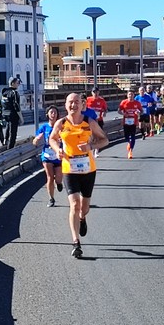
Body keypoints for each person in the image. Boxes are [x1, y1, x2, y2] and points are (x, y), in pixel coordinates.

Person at [49, 93, 108, 257]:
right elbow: (52, 139)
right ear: (65, 104)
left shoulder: (89, 122)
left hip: (88, 170)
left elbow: (104, 140)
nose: (73, 105)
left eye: (76, 102)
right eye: (70, 102)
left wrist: (90, 147)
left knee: (84, 207)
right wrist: (58, 149)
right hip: (69, 169)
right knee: (74, 204)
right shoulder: (61, 123)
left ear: (82, 105)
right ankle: (76, 242)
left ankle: (82, 218)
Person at [33, 106, 63, 207]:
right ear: (47, 114)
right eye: (51, 112)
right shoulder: (44, 127)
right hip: (47, 155)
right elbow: (34, 142)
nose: (53, 114)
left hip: (58, 154)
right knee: (50, 177)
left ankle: (59, 183)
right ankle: (51, 198)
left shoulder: (61, 126)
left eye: (55, 112)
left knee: (58, 177)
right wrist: (37, 139)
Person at [118, 90, 142, 159]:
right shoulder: (124, 102)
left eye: (132, 94)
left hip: (133, 121)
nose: (130, 96)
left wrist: (138, 113)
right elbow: (119, 110)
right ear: (127, 95)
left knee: (133, 136)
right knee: (126, 136)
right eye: (129, 94)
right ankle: (129, 143)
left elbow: (141, 111)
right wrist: (123, 114)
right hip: (126, 121)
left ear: (134, 95)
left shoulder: (137, 103)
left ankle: (130, 151)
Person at [1, 76, 23, 149]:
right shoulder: (14, 93)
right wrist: (21, 118)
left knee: (8, 128)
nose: (18, 84)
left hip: (5, 113)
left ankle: (5, 142)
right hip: (13, 114)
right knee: (13, 133)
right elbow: (16, 106)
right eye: (17, 83)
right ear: (13, 83)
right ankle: (10, 148)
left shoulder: (4, 92)